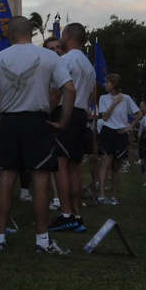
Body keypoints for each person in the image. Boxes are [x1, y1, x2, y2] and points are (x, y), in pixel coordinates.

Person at [0, 15, 75, 255]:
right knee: (40, 181)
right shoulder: (49, 56)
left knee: (5, 179)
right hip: (36, 122)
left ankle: (0, 238)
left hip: (8, 122)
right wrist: (63, 121)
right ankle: (41, 241)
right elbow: (69, 89)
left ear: (10, 34)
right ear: (31, 32)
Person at [48, 22, 95, 234]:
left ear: (67, 35)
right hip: (81, 114)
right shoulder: (88, 64)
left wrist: (46, 112)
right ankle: (76, 216)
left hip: (65, 112)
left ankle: (65, 215)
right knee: (75, 167)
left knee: (61, 164)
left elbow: (59, 91)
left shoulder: (65, 60)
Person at [94, 73, 140, 205]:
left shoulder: (126, 98)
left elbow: (139, 114)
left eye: (107, 82)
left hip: (120, 133)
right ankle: (102, 195)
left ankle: (114, 196)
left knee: (115, 166)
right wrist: (113, 104)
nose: (105, 85)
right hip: (107, 131)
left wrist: (129, 127)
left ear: (113, 84)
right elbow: (104, 117)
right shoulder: (103, 98)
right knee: (105, 162)